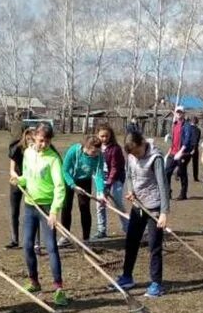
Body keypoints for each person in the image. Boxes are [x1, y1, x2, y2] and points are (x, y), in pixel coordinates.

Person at [13, 122, 68, 306]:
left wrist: (54, 211)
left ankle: (59, 288)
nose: (42, 144)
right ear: (35, 137)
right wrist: (18, 179)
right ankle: (34, 281)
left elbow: (60, 187)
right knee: (27, 246)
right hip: (30, 206)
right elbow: (27, 176)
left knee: (51, 247)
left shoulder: (53, 159)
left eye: (46, 141)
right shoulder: (28, 153)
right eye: (40, 140)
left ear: (50, 140)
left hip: (46, 208)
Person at [116, 130, 169, 298]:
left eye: (137, 152)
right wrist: (131, 191)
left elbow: (163, 186)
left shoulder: (156, 158)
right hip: (138, 206)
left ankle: (156, 283)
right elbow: (130, 175)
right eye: (133, 154)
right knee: (131, 242)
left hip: (154, 207)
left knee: (154, 246)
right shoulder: (131, 156)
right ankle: (127, 276)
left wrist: (164, 213)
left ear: (142, 144)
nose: (136, 157)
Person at [60, 134, 103, 243]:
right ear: (85, 148)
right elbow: (64, 170)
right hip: (69, 179)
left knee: (84, 208)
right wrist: (72, 185)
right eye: (93, 152)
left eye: (98, 151)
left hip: (85, 181)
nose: (96, 154)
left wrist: (101, 192)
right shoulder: (74, 151)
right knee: (66, 207)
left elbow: (98, 174)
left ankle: (86, 238)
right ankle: (65, 236)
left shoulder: (99, 156)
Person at [93, 124, 127, 239]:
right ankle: (101, 230)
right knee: (100, 204)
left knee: (117, 202)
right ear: (97, 135)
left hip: (116, 177)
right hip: (101, 177)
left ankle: (127, 228)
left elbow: (115, 168)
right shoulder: (95, 147)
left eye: (106, 136)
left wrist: (108, 185)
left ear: (110, 136)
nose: (104, 138)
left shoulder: (115, 149)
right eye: (102, 136)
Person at [5, 122, 28, 249]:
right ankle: (14, 240)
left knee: (32, 212)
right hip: (16, 181)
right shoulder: (15, 148)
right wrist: (17, 178)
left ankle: (35, 242)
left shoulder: (33, 148)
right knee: (14, 211)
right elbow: (12, 169)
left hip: (31, 182)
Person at [188, 116, 202, 182]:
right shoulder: (198, 130)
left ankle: (178, 173)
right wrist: (194, 148)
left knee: (184, 162)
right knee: (195, 164)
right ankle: (195, 177)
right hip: (194, 147)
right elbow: (196, 140)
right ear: (197, 122)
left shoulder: (187, 128)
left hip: (187, 147)